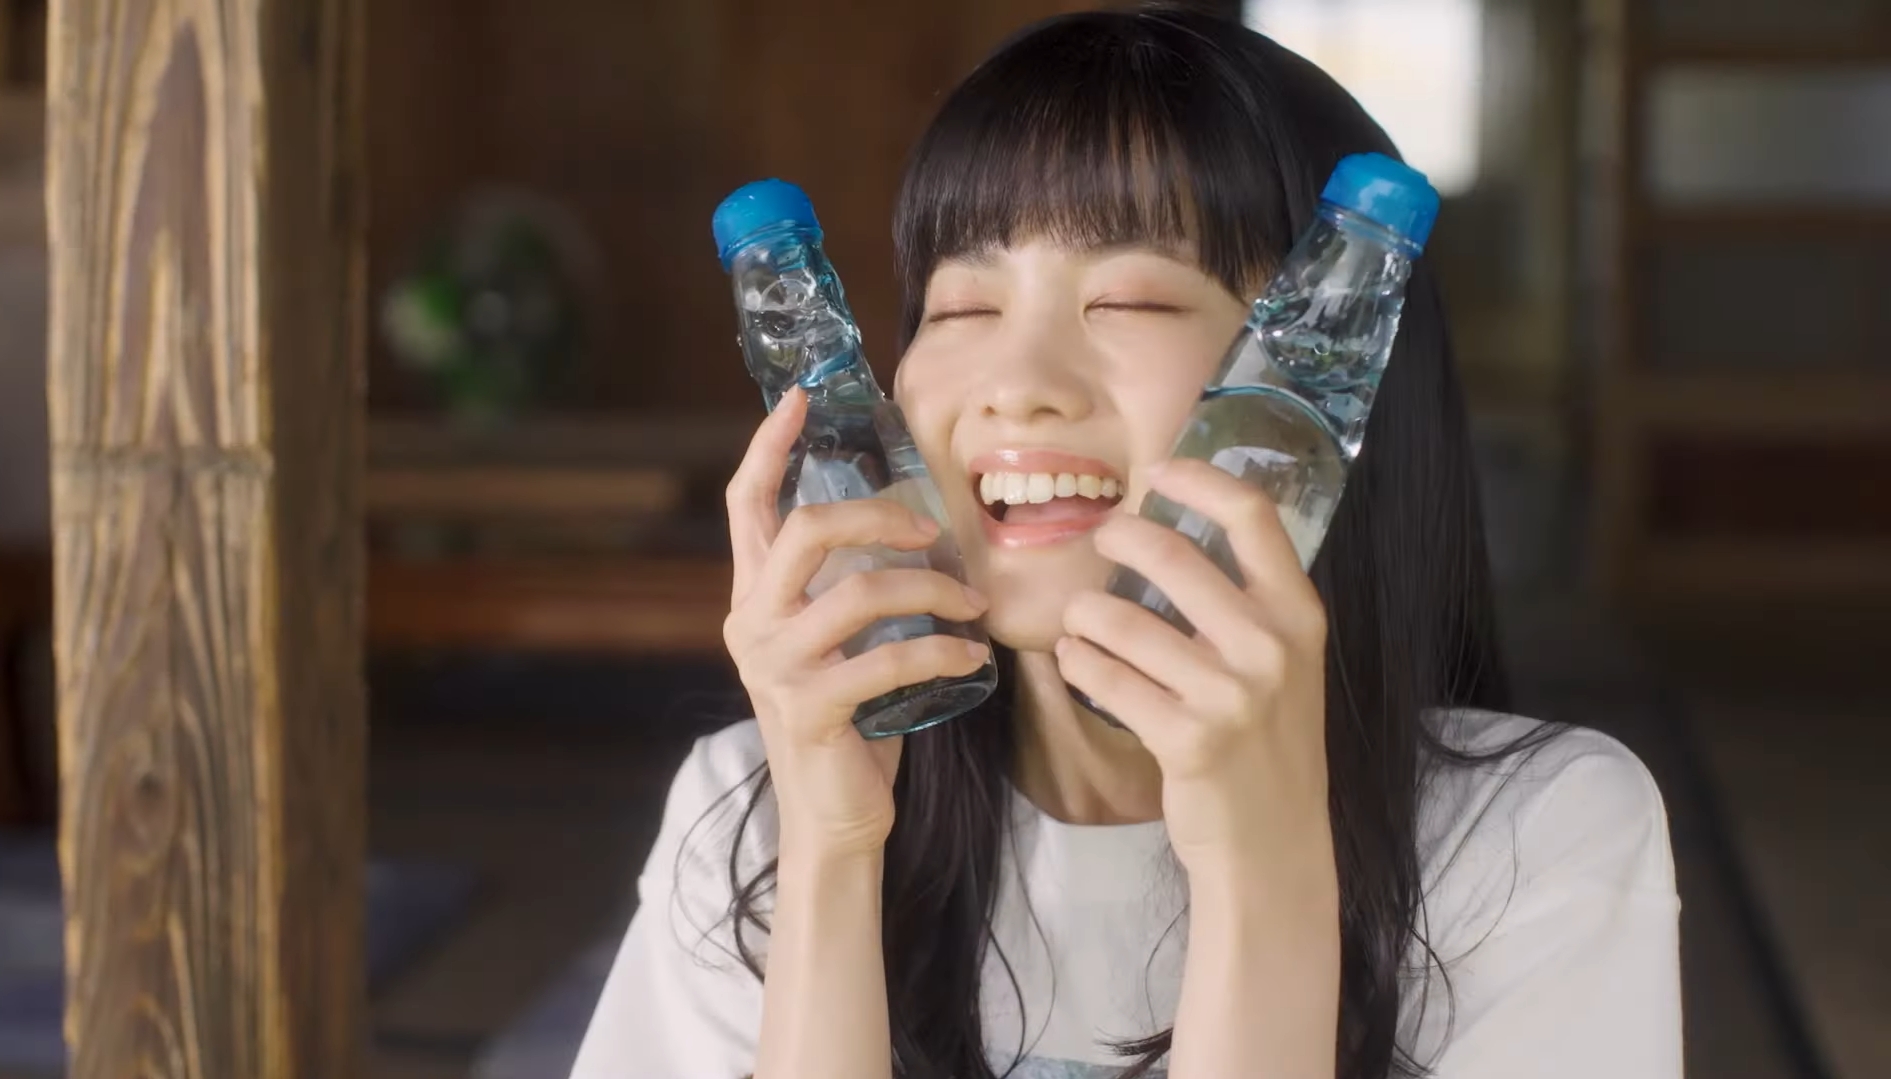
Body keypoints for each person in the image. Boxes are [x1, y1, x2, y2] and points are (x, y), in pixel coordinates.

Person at [570, 7, 1681, 1078]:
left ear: (1323, 400)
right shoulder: (754, 806)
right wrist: (830, 854)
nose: (1016, 384)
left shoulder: (1534, 837)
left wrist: (1263, 866)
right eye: (960, 307)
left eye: (1132, 299)